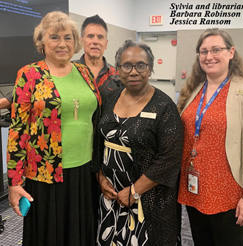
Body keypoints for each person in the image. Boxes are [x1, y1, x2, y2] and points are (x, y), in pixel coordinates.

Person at [7, 11, 101, 246]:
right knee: (50, 235)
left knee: (80, 232)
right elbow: (18, 129)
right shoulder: (29, 74)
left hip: (85, 171)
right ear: (42, 42)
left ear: (76, 42)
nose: (62, 44)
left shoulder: (85, 73)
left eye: (68, 37)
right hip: (46, 172)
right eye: (54, 37)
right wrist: (14, 182)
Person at [177, 28, 243, 246]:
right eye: (203, 51)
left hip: (230, 195)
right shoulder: (194, 90)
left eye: (216, 49)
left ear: (231, 52)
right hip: (196, 190)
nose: (209, 56)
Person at [97, 40, 183, 246]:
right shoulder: (110, 99)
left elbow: (169, 159)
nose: (133, 71)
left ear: (150, 69)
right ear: (118, 69)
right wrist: (100, 177)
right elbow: (98, 143)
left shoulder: (164, 107)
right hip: (111, 196)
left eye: (141, 65)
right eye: (127, 65)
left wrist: (135, 191)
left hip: (148, 200)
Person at [75, 14, 122, 99]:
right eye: (90, 36)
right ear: (81, 41)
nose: (95, 41)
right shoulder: (70, 70)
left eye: (100, 37)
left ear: (106, 44)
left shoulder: (118, 76)